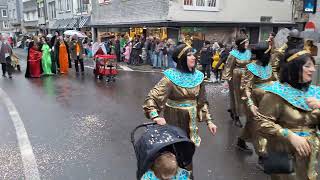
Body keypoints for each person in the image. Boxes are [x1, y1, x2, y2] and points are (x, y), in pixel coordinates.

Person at [143, 43, 217, 174]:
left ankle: (187, 174)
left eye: (194, 54)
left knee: (188, 151)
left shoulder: (199, 77)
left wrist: (209, 121)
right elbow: (152, 98)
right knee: (174, 153)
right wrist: (155, 116)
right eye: (189, 55)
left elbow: (202, 102)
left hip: (191, 123)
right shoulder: (170, 78)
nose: (194, 57)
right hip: (174, 121)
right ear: (182, 58)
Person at [255, 48, 320, 180]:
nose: (313, 70)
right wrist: (289, 135)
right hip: (284, 154)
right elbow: (261, 123)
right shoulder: (276, 93)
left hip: (311, 155)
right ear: (294, 68)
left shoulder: (315, 93)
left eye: (313, 66)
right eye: (307, 66)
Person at [239, 42, 276, 166]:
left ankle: (240, 140)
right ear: (263, 55)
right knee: (259, 126)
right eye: (269, 53)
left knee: (251, 123)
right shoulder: (251, 68)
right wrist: (250, 104)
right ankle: (262, 156)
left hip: (269, 102)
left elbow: (275, 80)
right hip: (254, 102)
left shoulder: (269, 66)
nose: (271, 55)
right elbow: (245, 88)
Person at [222, 37, 252, 128]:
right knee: (236, 97)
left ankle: (246, 114)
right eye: (245, 43)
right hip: (236, 78)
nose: (247, 45)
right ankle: (236, 117)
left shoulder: (248, 52)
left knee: (247, 96)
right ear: (240, 44)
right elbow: (228, 67)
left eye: (247, 43)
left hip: (247, 77)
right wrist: (227, 79)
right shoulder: (233, 54)